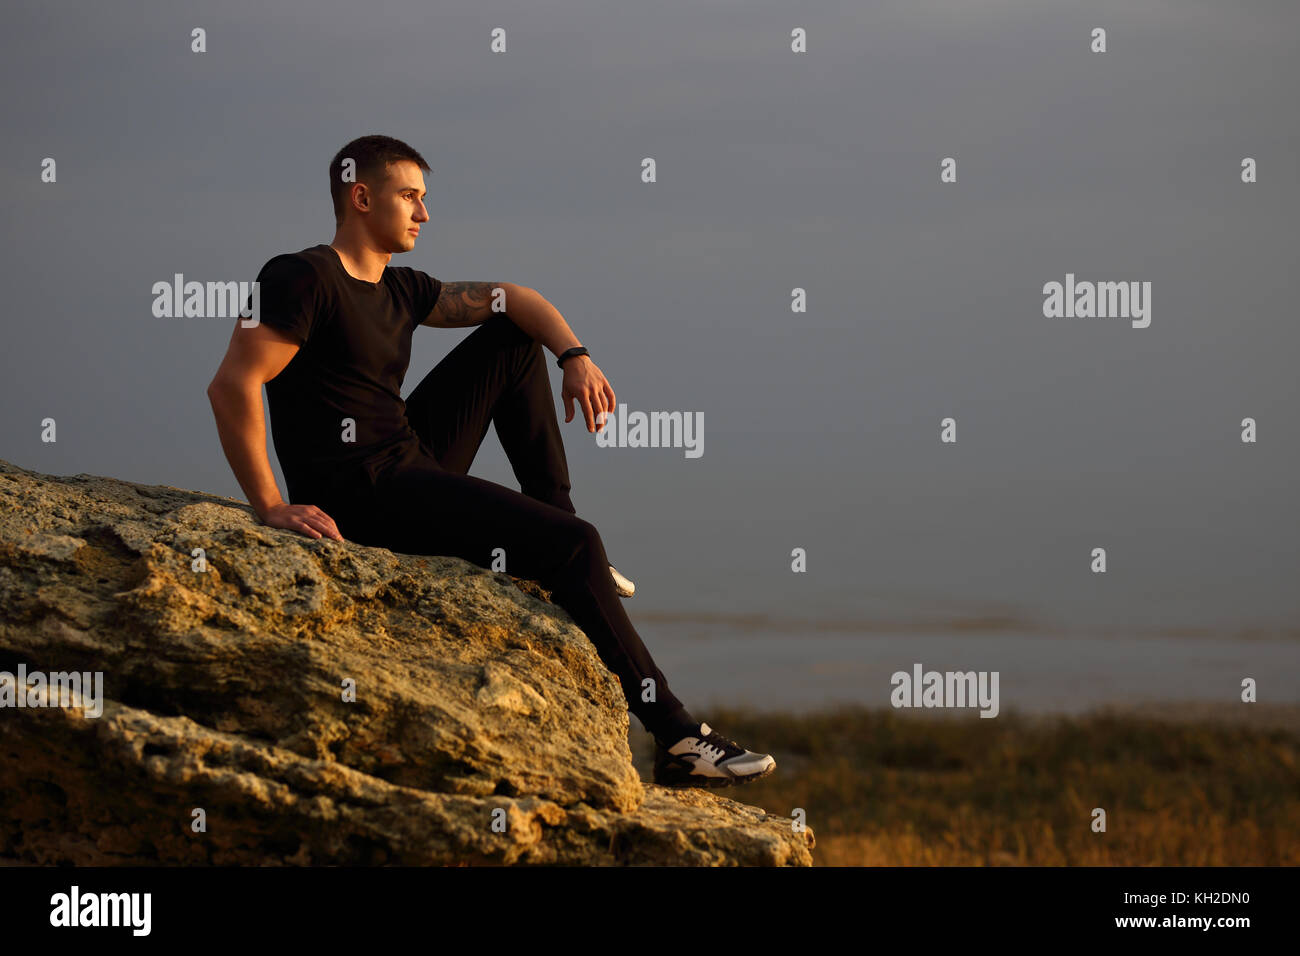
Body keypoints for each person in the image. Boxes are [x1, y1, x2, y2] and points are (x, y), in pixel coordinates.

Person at [205, 134, 775, 789]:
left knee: (512, 338)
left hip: (408, 461)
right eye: (410, 197)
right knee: (574, 546)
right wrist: (271, 505)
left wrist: (575, 357)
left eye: (425, 199)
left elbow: (516, 299)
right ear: (361, 198)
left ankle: (557, 520)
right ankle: (677, 737)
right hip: (360, 493)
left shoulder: (402, 289)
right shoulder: (300, 277)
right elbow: (233, 384)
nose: (424, 213)